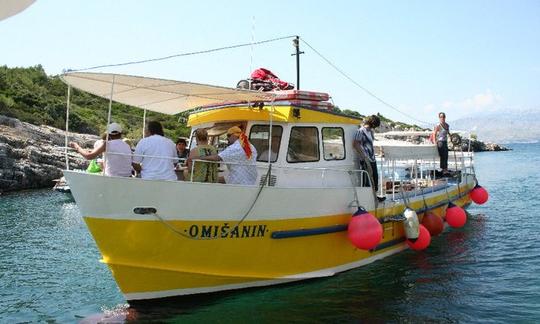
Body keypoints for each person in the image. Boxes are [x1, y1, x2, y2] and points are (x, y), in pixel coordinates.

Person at [192, 126, 258, 185]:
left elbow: (217, 158)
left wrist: (198, 158)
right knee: (217, 180)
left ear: (234, 135)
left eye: (228, 136)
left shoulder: (236, 147)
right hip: (250, 180)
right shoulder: (250, 146)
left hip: (239, 182)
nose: (227, 138)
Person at [353, 115, 381, 193]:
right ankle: (367, 197)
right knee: (367, 179)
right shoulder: (360, 131)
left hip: (372, 159)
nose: (374, 128)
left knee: (375, 178)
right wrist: (363, 156)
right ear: (373, 124)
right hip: (365, 159)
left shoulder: (370, 132)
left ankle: (375, 196)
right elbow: (355, 144)